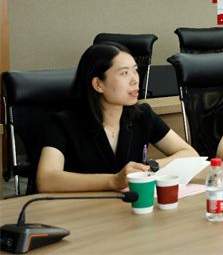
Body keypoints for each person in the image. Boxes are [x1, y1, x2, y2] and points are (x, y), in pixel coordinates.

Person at [36, 43, 198, 193]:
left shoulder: (142, 115)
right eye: (124, 73)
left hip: (128, 206)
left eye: (135, 70)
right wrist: (113, 181)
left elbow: (190, 154)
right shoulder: (63, 123)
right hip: (80, 209)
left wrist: (149, 167)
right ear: (98, 84)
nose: (135, 80)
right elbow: (46, 180)